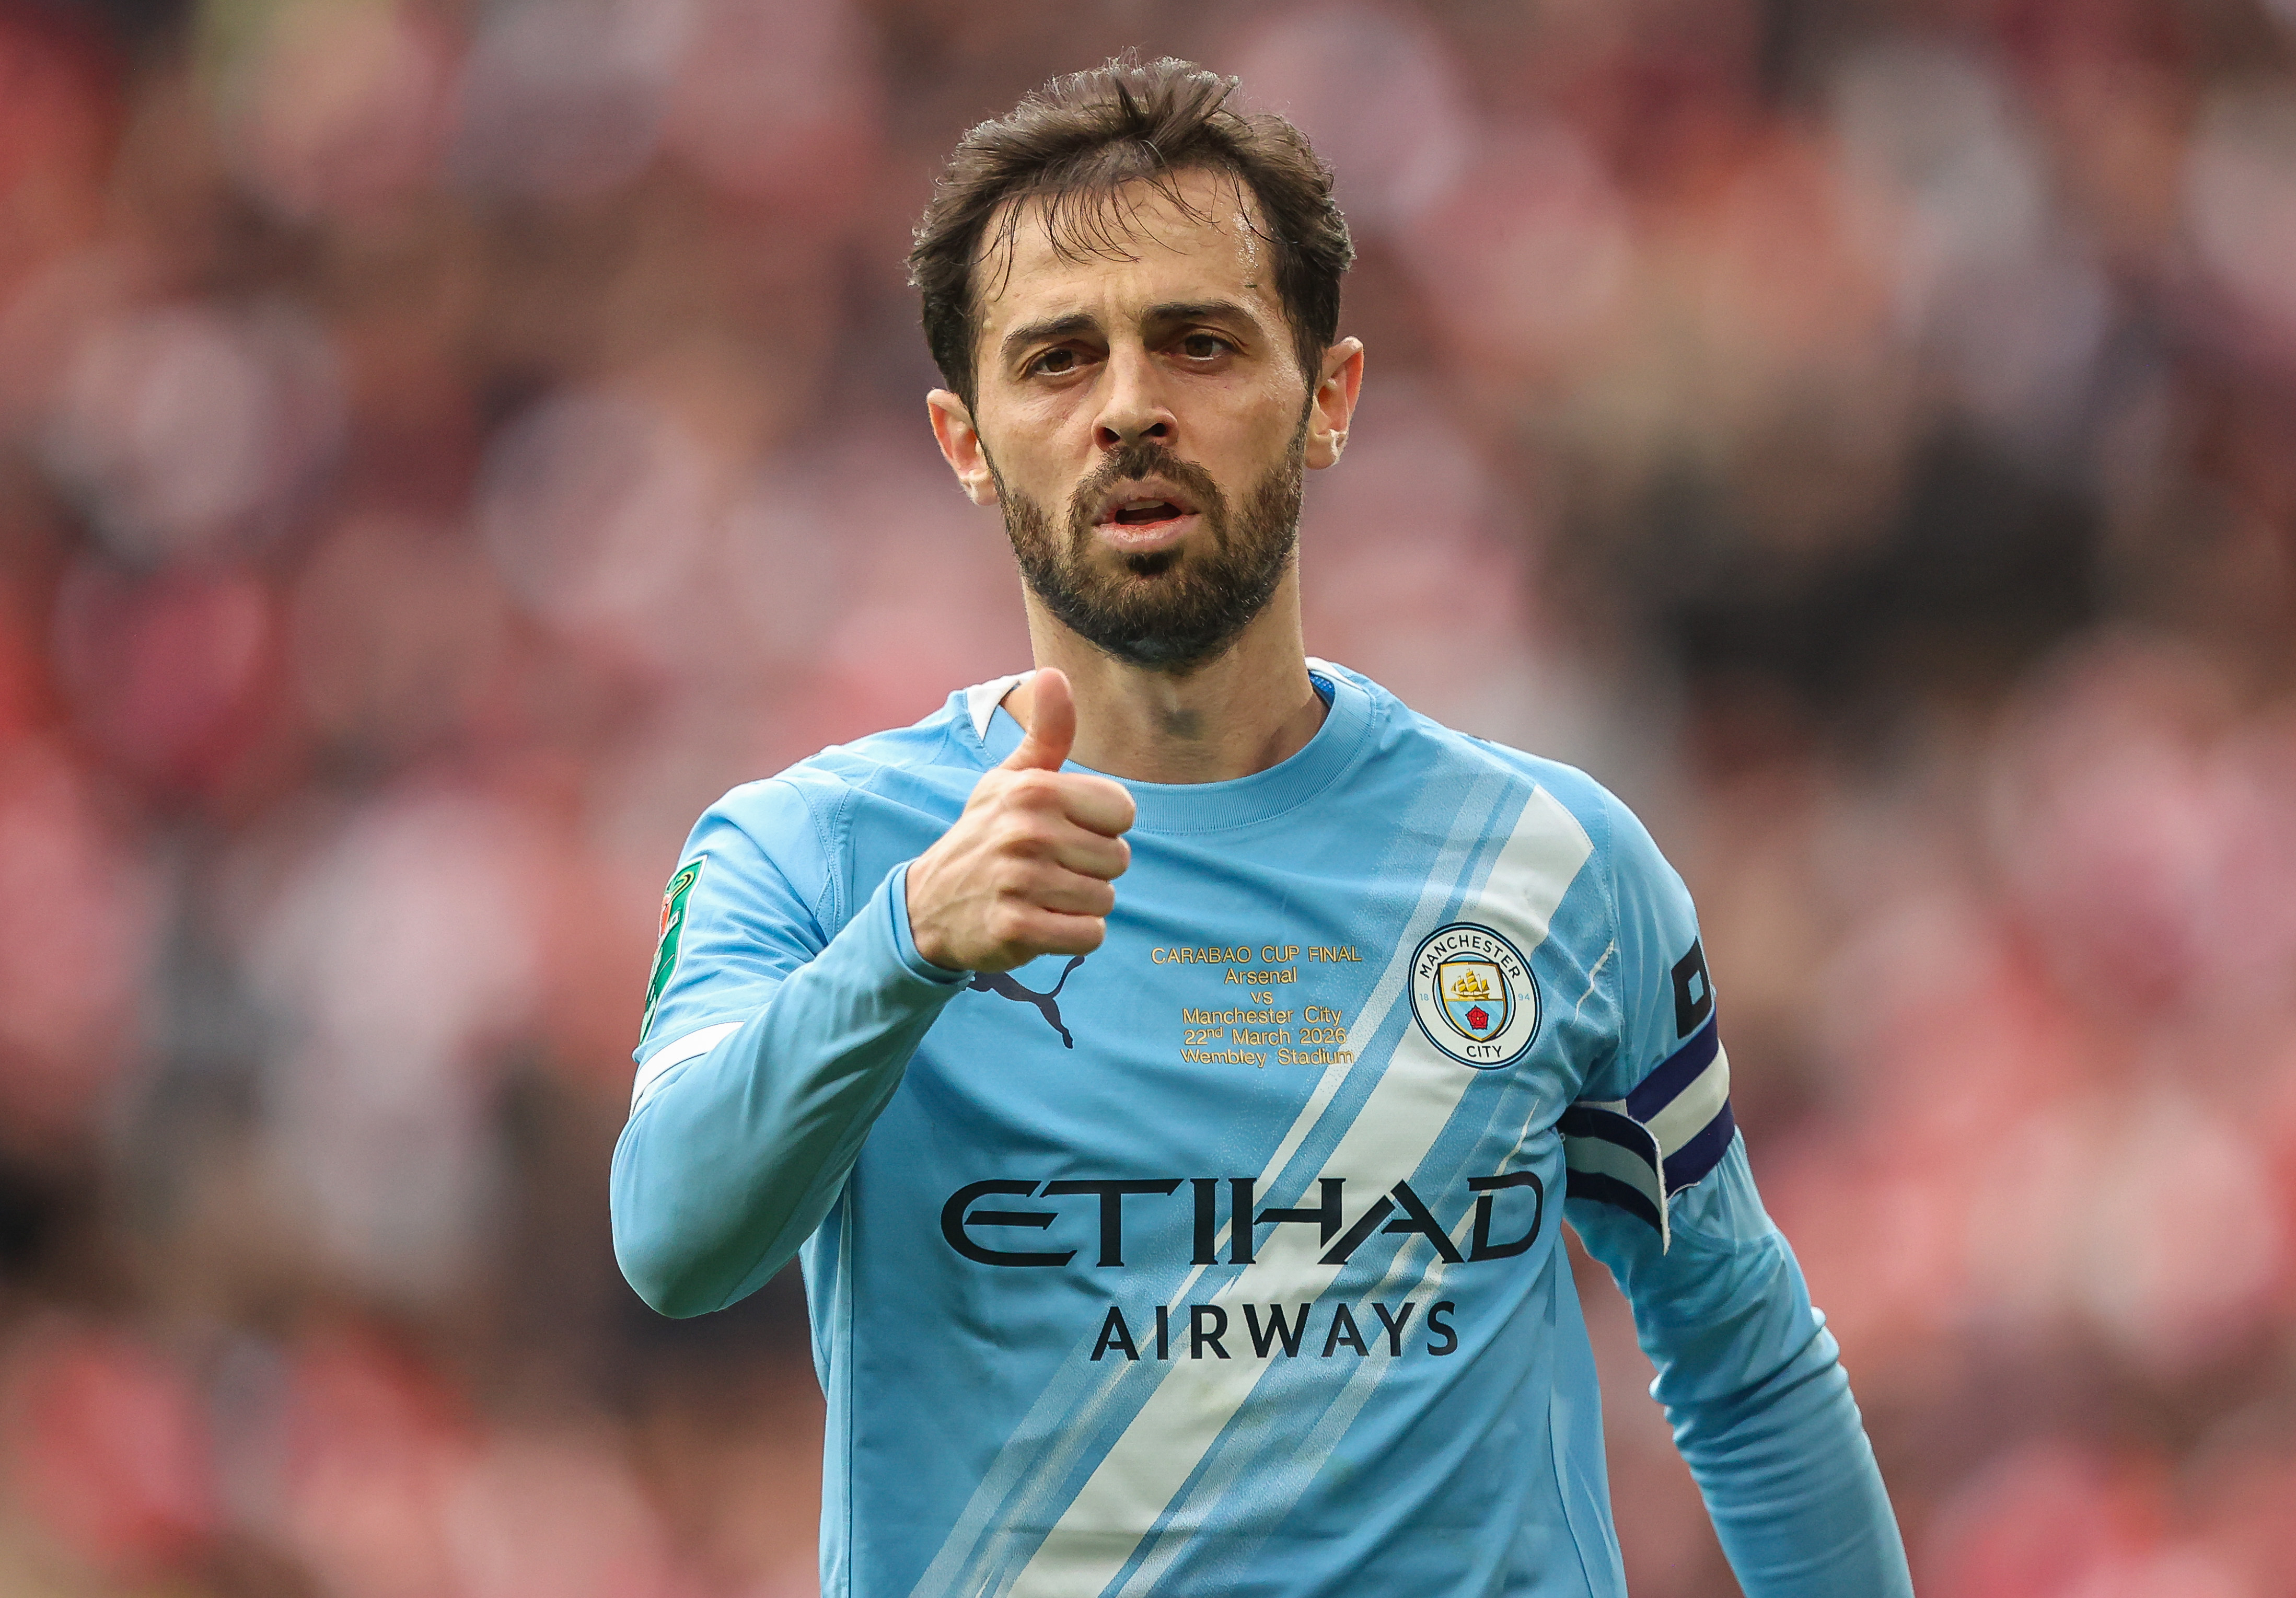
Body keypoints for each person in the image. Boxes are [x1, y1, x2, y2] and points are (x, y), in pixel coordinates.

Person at [611, 54, 1912, 1598]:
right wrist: (908, 945)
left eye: (1198, 342)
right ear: (965, 441)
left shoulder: (1553, 867)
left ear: (1328, 400)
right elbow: (673, 1241)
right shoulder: (814, 855)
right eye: (1055, 361)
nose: (1129, 409)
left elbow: (1743, 1359)